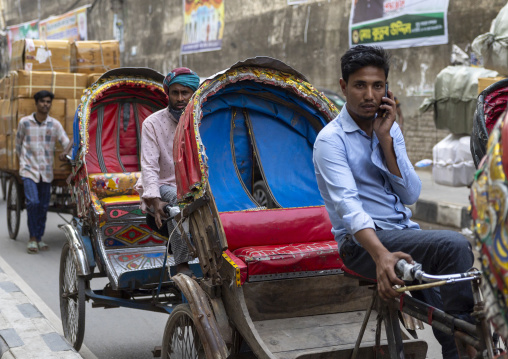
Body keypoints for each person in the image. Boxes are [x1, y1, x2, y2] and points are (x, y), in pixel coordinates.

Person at [313, 45, 475, 359]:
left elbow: (411, 194)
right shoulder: (330, 140)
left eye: (377, 86)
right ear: (344, 87)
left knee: (445, 309)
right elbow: (348, 206)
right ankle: (466, 336)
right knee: (455, 245)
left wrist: (386, 142)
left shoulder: (389, 128)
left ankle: (461, 342)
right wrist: (381, 256)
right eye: (360, 85)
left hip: (403, 233)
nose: (369, 95)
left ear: (386, 88)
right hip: (361, 245)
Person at [135, 67, 200, 277]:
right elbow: (149, 165)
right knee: (175, 199)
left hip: (196, 185)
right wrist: (154, 199)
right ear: (168, 94)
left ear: (193, 94)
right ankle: (182, 265)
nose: (180, 98)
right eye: (175, 93)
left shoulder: (201, 120)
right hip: (164, 185)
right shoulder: (152, 124)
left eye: (185, 93)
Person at [15, 90, 70, 254]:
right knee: (33, 203)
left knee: (44, 206)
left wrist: (65, 153)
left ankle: (39, 237)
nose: (45, 104)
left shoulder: (55, 125)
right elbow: (18, 145)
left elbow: (66, 142)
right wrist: (22, 164)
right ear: (36, 103)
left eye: (48, 102)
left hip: (46, 171)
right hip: (28, 170)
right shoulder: (24, 122)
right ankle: (32, 238)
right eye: (42, 101)